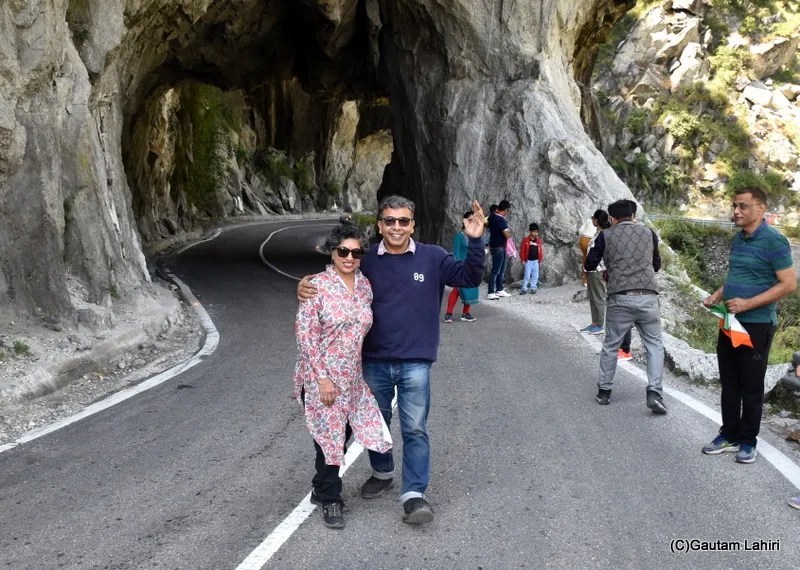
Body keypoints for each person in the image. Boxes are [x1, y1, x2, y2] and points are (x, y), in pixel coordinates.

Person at [298, 195, 486, 524]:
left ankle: (414, 495)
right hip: (373, 361)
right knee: (374, 425)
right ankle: (382, 474)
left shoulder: (432, 257)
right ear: (380, 225)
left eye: (403, 221)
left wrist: (475, 240)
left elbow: (469, 278)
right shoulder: (367, 259)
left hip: (415, 360)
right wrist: (307, 283)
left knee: (414, 428)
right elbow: (340, 273)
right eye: (389, 220)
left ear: (413, 224)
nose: (396, 227)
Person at [293, 222, 392, 530]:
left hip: (351, 378)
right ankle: (330, 498)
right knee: (329, 440)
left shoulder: (364, 286)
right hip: (321, 377)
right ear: (332, 252)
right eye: (343, 251)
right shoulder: (317, 287)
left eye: (356, 252)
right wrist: (321, 379)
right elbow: (306, 336)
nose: (349, 257)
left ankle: (320, 485)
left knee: (344, 435)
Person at [701, 187, 796, 464]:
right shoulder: (738, 239)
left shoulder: (774, 241)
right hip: (730, 322)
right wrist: (718, 294)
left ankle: (747, 440)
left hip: (757, 324)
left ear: (760, 209)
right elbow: (736, 273)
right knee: (729, 382)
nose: (736, 211)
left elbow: (788, 284)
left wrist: (747, 304)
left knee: (751, 386)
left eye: (743, 206)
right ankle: (728, 434)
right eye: (734, 206)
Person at [584, 199, 667, 414]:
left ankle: (604, 392)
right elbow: (656, 265)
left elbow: (589, 264)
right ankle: (655, 393)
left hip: (620, 298)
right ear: (633, 216)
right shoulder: (649, 233)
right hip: (648, 297)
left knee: (611, 345)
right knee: (654, 345)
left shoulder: (605, 235)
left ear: (612, 219)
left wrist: (610, 268)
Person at [581, 209, 634, 358]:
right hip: (591, 269)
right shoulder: (598, 233)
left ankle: (599, 325)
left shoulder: (605, 235)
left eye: (593, 218)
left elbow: (601, 254)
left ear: (597, 220)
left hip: (599, 270)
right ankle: (594, 322)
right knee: (592, 296)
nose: (592, 220)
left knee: (599, 297)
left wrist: (593, 266)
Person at [445, 211, 480, 323]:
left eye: (473, 220)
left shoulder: (474, 236)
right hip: (461, 266)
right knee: (456, 289)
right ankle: (449, 314)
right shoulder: (459, 236)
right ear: (464, 221)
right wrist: (457, 267)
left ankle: (465, 313)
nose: (472, 222)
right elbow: (456, 252)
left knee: (470, 289)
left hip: (472, 266)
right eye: (469, 220)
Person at [486, 199, 512, 300]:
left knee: (500, 269)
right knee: (496, 270)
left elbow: (486, 224)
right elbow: (507, 234)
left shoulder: (492, 216)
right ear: (505, 210)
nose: (507, 213)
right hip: (499, 247)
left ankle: (499, 290)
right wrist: (510, 232)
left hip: (496, 245)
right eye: (508, 211)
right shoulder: (500, 220)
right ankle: (491, 292)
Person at [519, 223, 544, 295]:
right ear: (530, 232)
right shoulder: (526, 240)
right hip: (528, 261)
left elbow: (540, 250)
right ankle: (524, 288)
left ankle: (533, 287)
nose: (535, 233)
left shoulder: (538, 241)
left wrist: (541, 259)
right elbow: (522, 250)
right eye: (534, 232)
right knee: (527, 275)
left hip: (536, 261)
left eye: (536, 232)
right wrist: (523, 259)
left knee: (535, 275)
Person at [578, 217, 596, 286]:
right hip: (591, 239)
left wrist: (579, 239)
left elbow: (580, 230)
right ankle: (591, 280)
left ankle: (585, 280)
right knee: (592, 259)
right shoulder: (599, 223)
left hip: (583, 239)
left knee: (585, 258)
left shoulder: (588, 220)